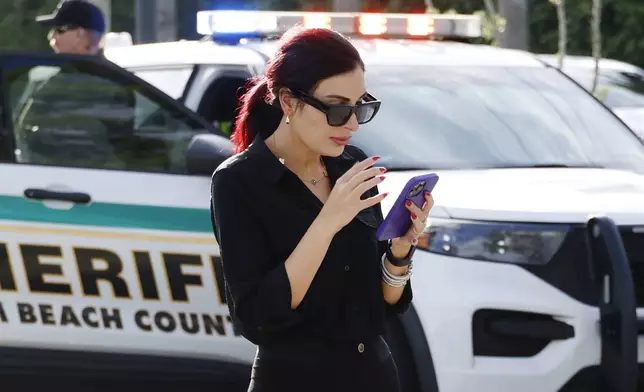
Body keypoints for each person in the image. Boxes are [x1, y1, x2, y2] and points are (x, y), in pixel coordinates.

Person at [209, 26, 434, 392]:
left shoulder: (351, 165)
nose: (352, 123)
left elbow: (382, 306)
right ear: (288, 102)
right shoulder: (239, 182)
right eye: (337, 108)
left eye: (361, 106)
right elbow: (258, 318)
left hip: (373, 377)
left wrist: (399, 251)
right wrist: (327, 221)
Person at [35, 0, 106, 55]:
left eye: (59, 30)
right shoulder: (109, 71)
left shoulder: (72, 72)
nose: (51, 36)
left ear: (79, 34)